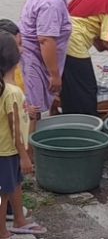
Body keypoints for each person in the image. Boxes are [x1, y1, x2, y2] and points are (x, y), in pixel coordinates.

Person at [20, 0, 81, 115]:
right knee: (34, 110)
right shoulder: (51, 2)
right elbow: (46, 40)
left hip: (39, 58)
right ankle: (33, 132)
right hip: (36, 60)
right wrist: (54, 75)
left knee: (41, 104)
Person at [0, 32, 47, 237]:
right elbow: (15, 130)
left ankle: (19, 220)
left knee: (14, 184)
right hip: (7, 151)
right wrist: (25, 156)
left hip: (6, 149)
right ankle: (2, 231)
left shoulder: (6, 90)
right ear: (14, 58)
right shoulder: (12, 92)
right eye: (19, 45)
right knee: (4, 192)